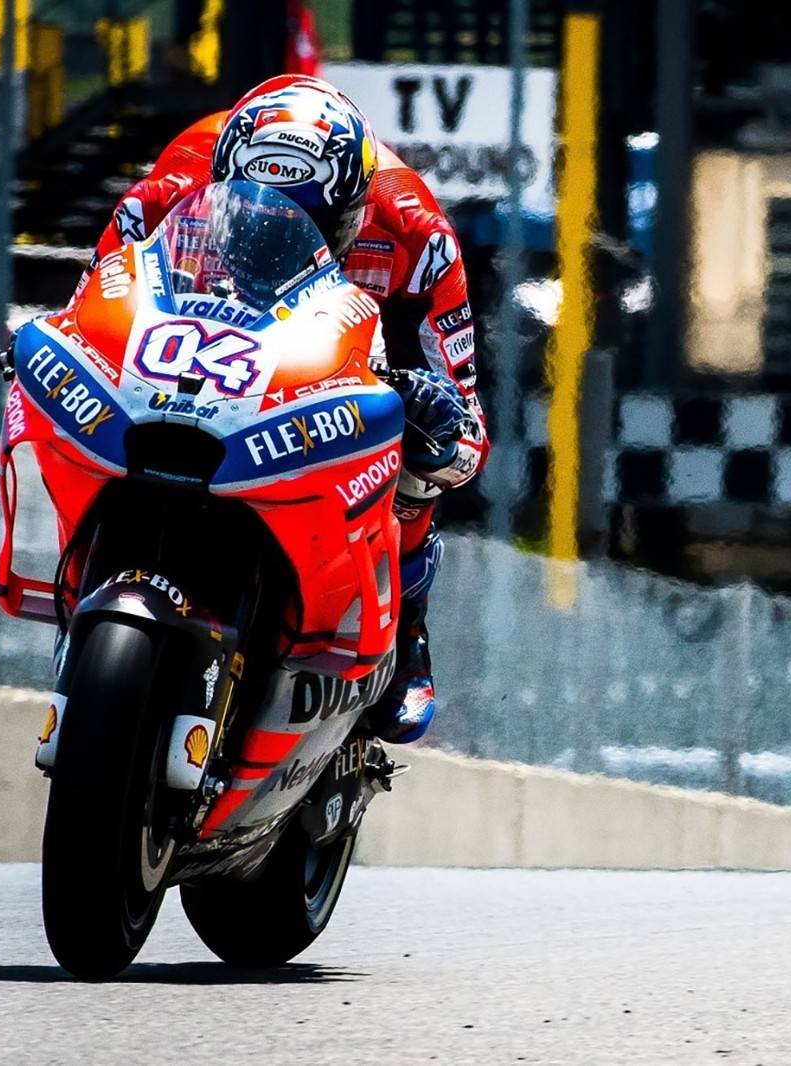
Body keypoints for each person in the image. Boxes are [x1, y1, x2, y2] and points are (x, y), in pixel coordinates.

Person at [69, 75, 487, 745]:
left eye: (306, 221)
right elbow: (88, 309)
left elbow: (469, 431)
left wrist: (438, 424)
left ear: (353, 209)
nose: (270, 234)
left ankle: (407, 624)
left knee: (422, 452)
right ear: (219, 184)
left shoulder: (419, 234)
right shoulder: (168, 188)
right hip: (206, 347)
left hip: (349, 359)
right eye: (250, 214)